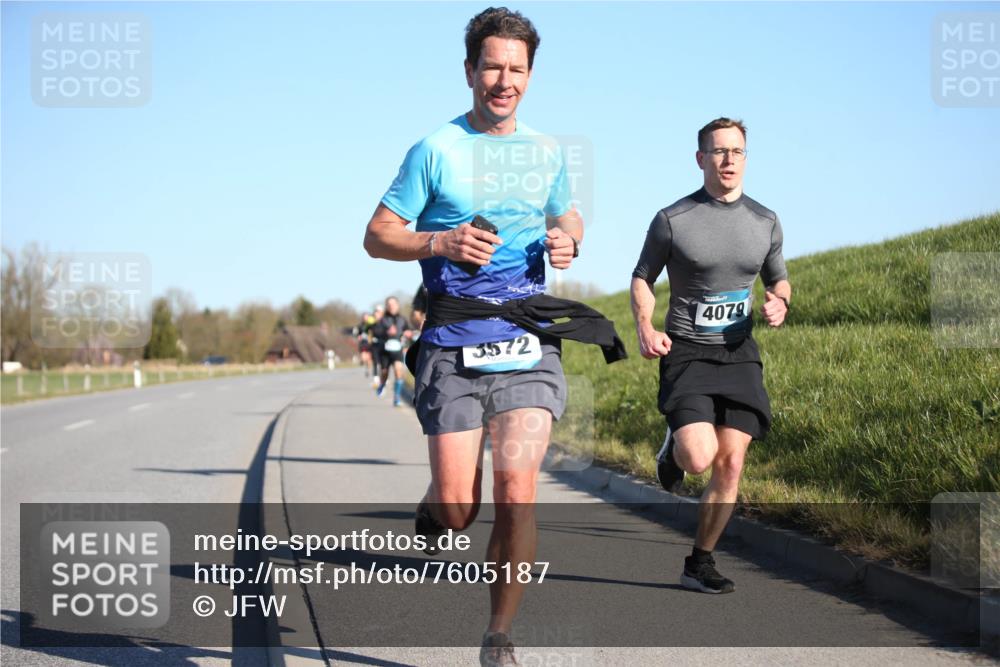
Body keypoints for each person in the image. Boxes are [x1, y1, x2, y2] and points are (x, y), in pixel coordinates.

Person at [363, 7, 624, 665]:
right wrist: (438, 239)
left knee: (517, 491)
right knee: (459, 508)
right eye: (492, 66)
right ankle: (435, 510)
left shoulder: (546, 152)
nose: (503, 80)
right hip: (453, 339)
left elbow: (568, 215)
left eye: (516, 69)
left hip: (528, 338)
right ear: (470, 71)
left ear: (530, 75)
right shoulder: (435, 150)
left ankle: (497, 635)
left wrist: (570, 238)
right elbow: (376, 234)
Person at [630, 117, 791, 595]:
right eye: (718, 151)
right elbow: (642, 276)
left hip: (739, 353)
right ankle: (674, 445)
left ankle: (699, 562)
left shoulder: (765, 221)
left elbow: (778, 278)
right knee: (699, 458)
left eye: (736, 152)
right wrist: (644, 325)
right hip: (688, 355)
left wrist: (779, 300)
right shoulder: (673, 220)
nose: (728, 160)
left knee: (732, 462)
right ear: (700, 159)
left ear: (746, 158)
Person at [372, 296, 412, 407]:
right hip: (385, 350)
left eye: (393, 304)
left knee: (399, 372)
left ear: (397, 305)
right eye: (389, 304)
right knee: (384, 373)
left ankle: (397, 397)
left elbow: (408, 330)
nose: (391, 306)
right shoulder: (382, 320)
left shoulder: (402, 319)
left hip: (397, 349)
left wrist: (408, 333)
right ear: (387, 306)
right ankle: (382, 384)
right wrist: (386, 332)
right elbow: (376, 332)